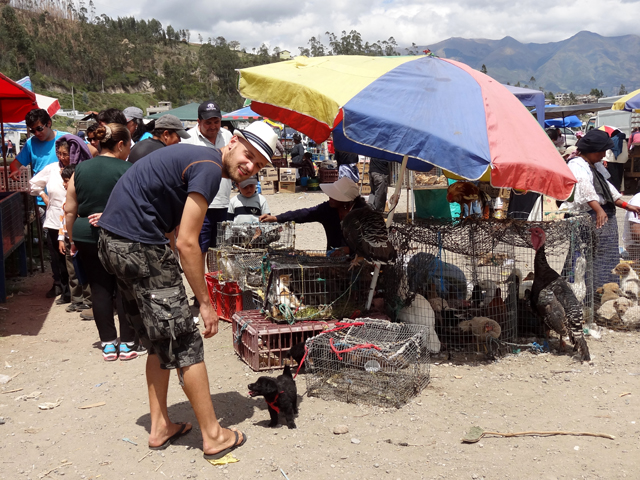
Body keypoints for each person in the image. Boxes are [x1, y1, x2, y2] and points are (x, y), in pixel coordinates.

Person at [96, 121, 276, 458]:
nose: (250, 166)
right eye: (249, 155)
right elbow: (188, 243)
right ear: (232, 141)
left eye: (259, 165)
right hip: (138, 246)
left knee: (158, 340)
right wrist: (205, 303)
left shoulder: (194, 158)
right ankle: (213, 435)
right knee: (185, 341)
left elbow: (171, 227)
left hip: (113, 243)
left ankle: (160, 426)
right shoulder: (208, 167)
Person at [65, 123, 143, 361]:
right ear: (120, 144)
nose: (129, 150)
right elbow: (137, 207)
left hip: (85, 234)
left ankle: (108, 344)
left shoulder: (80, 169)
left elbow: (70, 209)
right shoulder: (129, 169)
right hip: (120, 236)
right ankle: (128, 343)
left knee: (99, 289)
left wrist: (72, 238)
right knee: (125, 289)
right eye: (128, 145)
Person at [561, 129, 640, 287]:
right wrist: (598, 209)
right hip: (589, 215)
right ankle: (587, 291)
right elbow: (585, 188)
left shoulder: (595, 165)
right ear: (592, 150)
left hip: (603, 215)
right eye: (602, 151)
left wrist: (627, 205)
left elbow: (607, 189)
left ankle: (606, 289)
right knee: (586, 255)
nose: (604, 155)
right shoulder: (577, 165)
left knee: (606, 256)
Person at [183, 101, 233, 300]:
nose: (213, 126)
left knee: (217, 251)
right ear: (199, 121)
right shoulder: (188, 139)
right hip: (198, 204)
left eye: (216, 121)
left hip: (222, 203)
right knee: (198, 250)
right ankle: (200, 294)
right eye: (208, 122)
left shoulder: (227, 136)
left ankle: (214, 291)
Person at [29, 137, 80, 302]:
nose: (62, 157)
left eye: (66, 154)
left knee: (74, 258)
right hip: (54, 220)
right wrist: (43, 195)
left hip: (74, 221)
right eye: (59, 154)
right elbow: (33, 184)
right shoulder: (51, 169)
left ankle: (79, 292)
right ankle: (64, 290)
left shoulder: (79, 169)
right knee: (58, 258)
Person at [260, 176, 367, 251]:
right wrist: (276, 218)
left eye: (334, 195)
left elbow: (369, 245)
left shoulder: (364, 215)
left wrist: (349, 250)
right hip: (333, 258)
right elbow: (305, 214)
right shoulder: (328, 209)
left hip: (360, 261)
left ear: (345, 201)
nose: (329, 196)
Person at [58, 164, 92, 315]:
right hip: (68, 240)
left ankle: (88, 301)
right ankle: (76, 299)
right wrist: (61, 238)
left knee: (84, 270)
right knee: (72, 271)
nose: (64, 184)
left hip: (79, 239)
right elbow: (62, 221)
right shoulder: (66, 201)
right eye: (64, 181)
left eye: (67, 181)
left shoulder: (82, 201)